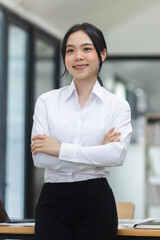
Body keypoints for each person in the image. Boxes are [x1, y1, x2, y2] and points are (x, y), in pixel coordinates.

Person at [31, 22, 132, 240]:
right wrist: (97, 152)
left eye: (86, 49)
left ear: (102, 54)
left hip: (96, 202)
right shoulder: (47, 102)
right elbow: (40, 159)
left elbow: (116, 155)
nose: (78, 56)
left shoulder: (117, 106)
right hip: (53, 202)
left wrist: (59, 149)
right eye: (70, 50)